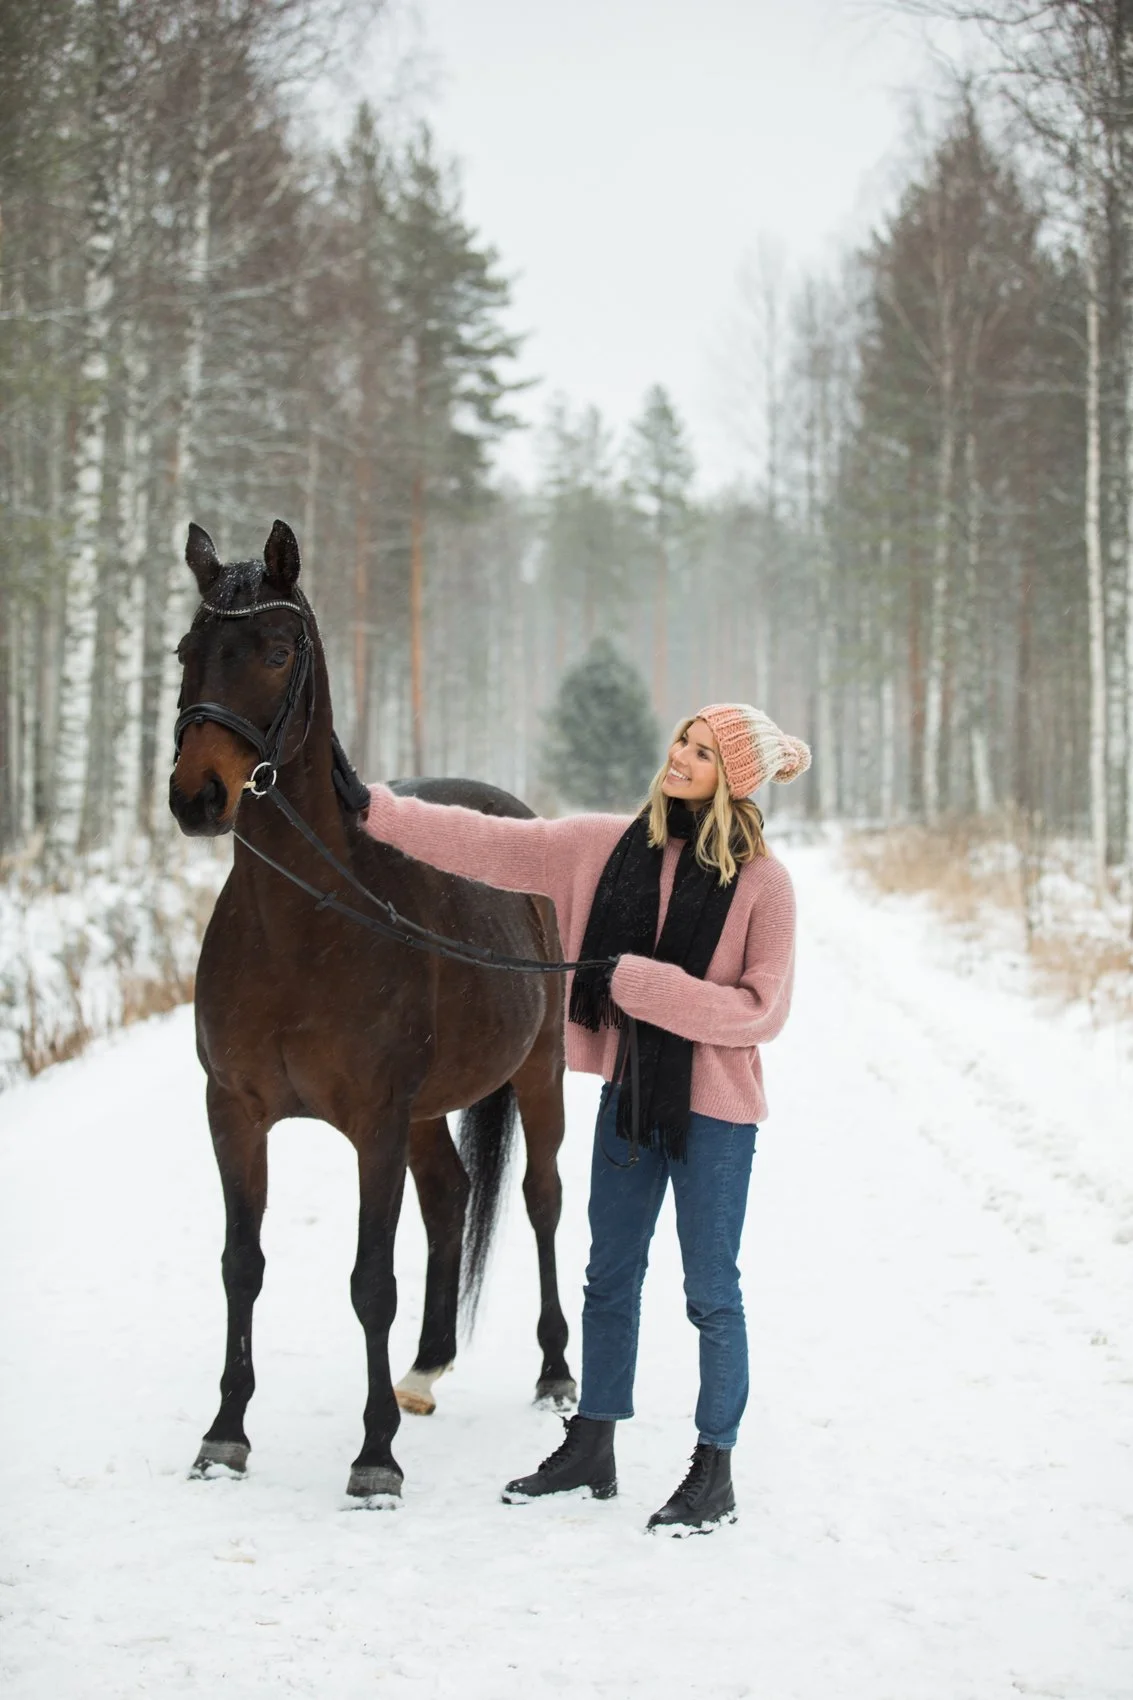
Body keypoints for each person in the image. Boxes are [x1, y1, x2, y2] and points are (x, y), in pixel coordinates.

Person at [361, 703, 808, 1534]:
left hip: (716, 1117)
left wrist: (646, 989)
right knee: (608, 1278)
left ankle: (714, 1468)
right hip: (631, 1098)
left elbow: (760, 1012)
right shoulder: (609, 847)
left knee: (711, 1293)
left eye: (703, 751)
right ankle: (592, 1443)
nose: (679, 756)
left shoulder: (764, 886)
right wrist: (375, 809)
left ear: (733, 779)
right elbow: (491, 846)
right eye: (683, 738)